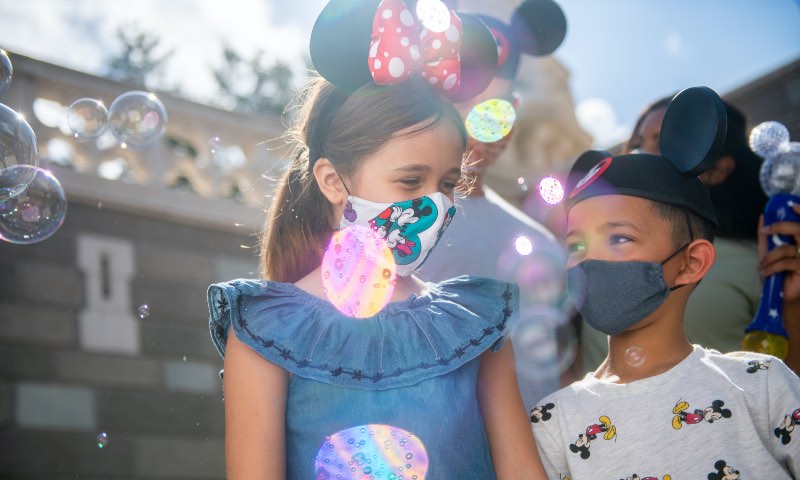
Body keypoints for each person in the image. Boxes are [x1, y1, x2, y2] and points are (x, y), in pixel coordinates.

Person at [207, 1, 546, 478]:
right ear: (331, 180)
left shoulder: (478, 323)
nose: (435, 206)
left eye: (447, 184)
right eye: (410, 182)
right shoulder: (264, 332)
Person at [531, 87, 800, 479]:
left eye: (619, 238)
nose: (588, 259)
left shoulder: (763, 383)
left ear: (692, 263)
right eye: (576, 244)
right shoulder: (551, 422)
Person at [417, 0, 572, 407]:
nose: (476, 124)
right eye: (462, 102)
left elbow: (554, 358)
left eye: (494, 109)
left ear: (514, 116)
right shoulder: (403, 221)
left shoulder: (539, 240)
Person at [580, 97, 768, 373]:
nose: (642, 153)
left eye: (663, 140)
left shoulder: (757, 263)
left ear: (719, 168)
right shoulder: (588, 251)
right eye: (637, 143)